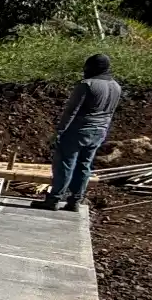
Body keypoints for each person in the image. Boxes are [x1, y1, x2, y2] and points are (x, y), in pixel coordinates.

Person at [36, 52, 123, 211]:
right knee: (85, 166)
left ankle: (54, 199)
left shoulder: (87, 84)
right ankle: (75, 201)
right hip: (99, 131)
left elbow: (71, 111)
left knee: (65, 165)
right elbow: (110, 112)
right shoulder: (116, 86)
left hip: (78, 130)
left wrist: (59, 132)